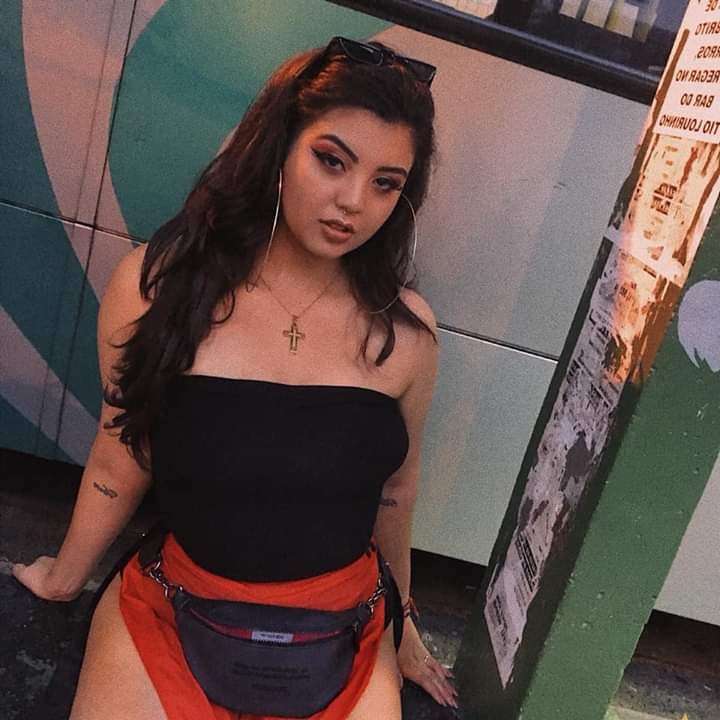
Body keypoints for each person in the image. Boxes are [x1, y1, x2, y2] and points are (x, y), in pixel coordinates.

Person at [12, 36, 457, 718]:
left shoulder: (406, 334)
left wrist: (406, 628)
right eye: (331, 160)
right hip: (175, 611)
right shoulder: (159, 288)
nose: (352, 202)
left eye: (385, 183)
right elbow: (122, 451)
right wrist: (66, 577)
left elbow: (397, 491)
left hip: (344, 628)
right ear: (278, 148)